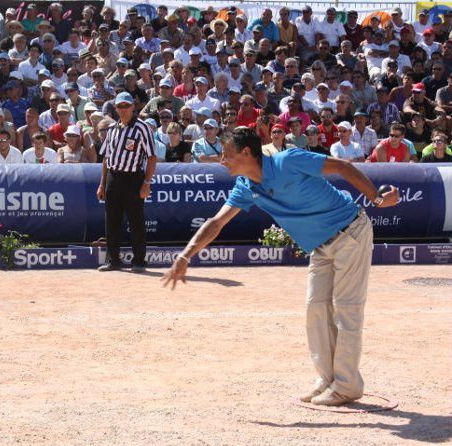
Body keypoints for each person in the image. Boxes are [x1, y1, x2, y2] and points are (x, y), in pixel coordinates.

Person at [162, 126, 400, 407]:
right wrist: (185, 255)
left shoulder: (288, 160)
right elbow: (216, 223)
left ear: (247, 152)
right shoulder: (245, 186)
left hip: (351, 232)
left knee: (346, 309)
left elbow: (342, 167)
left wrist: (377, 198)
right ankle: (328, 379)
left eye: (226, 155)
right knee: (315, 309)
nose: (222, 161)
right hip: (320, 246)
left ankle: (347, 386)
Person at [97, 92, 157, 273]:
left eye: (126, 106)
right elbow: (106, 159)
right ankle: (113, 260)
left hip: (133, 178)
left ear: (133, 107)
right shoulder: (113, 129)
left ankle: (139, 261)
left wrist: (147, 183)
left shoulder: (142, 128)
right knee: (111, 221)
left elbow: (152, 157)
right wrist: (102, 184)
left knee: (136, 221)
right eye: (120, 106)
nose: (123, 109)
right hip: (113, 179)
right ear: (115, 108)